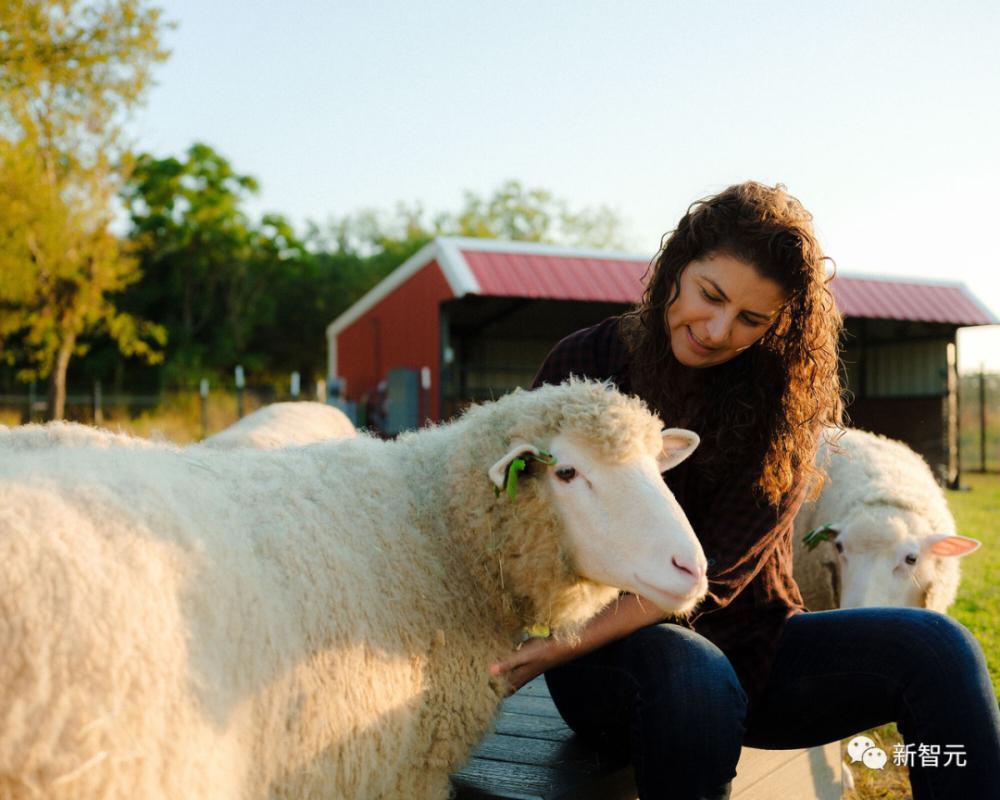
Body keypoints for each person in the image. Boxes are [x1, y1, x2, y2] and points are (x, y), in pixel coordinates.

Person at [489, 182, 1000, 799]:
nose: (717, 329)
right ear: (677, 267)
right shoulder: (589, 360)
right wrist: (549, 648)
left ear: (777, 323)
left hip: (754, 647)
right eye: (710, 295)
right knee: (692, 672)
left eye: (751, 319)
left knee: (941, 650)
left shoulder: (783, 406)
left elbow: (718, 576)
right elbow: (513, 507)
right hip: (604, 651)